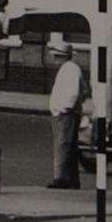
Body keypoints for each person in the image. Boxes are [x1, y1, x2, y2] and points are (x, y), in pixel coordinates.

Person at [45, 39, 87, 190]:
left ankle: (61, 178)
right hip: (66, 112)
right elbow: (84, 90)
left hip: (65, 114)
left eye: (56, 56)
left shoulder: (69, 70)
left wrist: (64, 108)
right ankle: (71, 179)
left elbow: (74, 92)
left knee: (62, 145)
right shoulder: (70, 68)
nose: (54, 59)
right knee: (69, 145)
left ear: (61, 56)